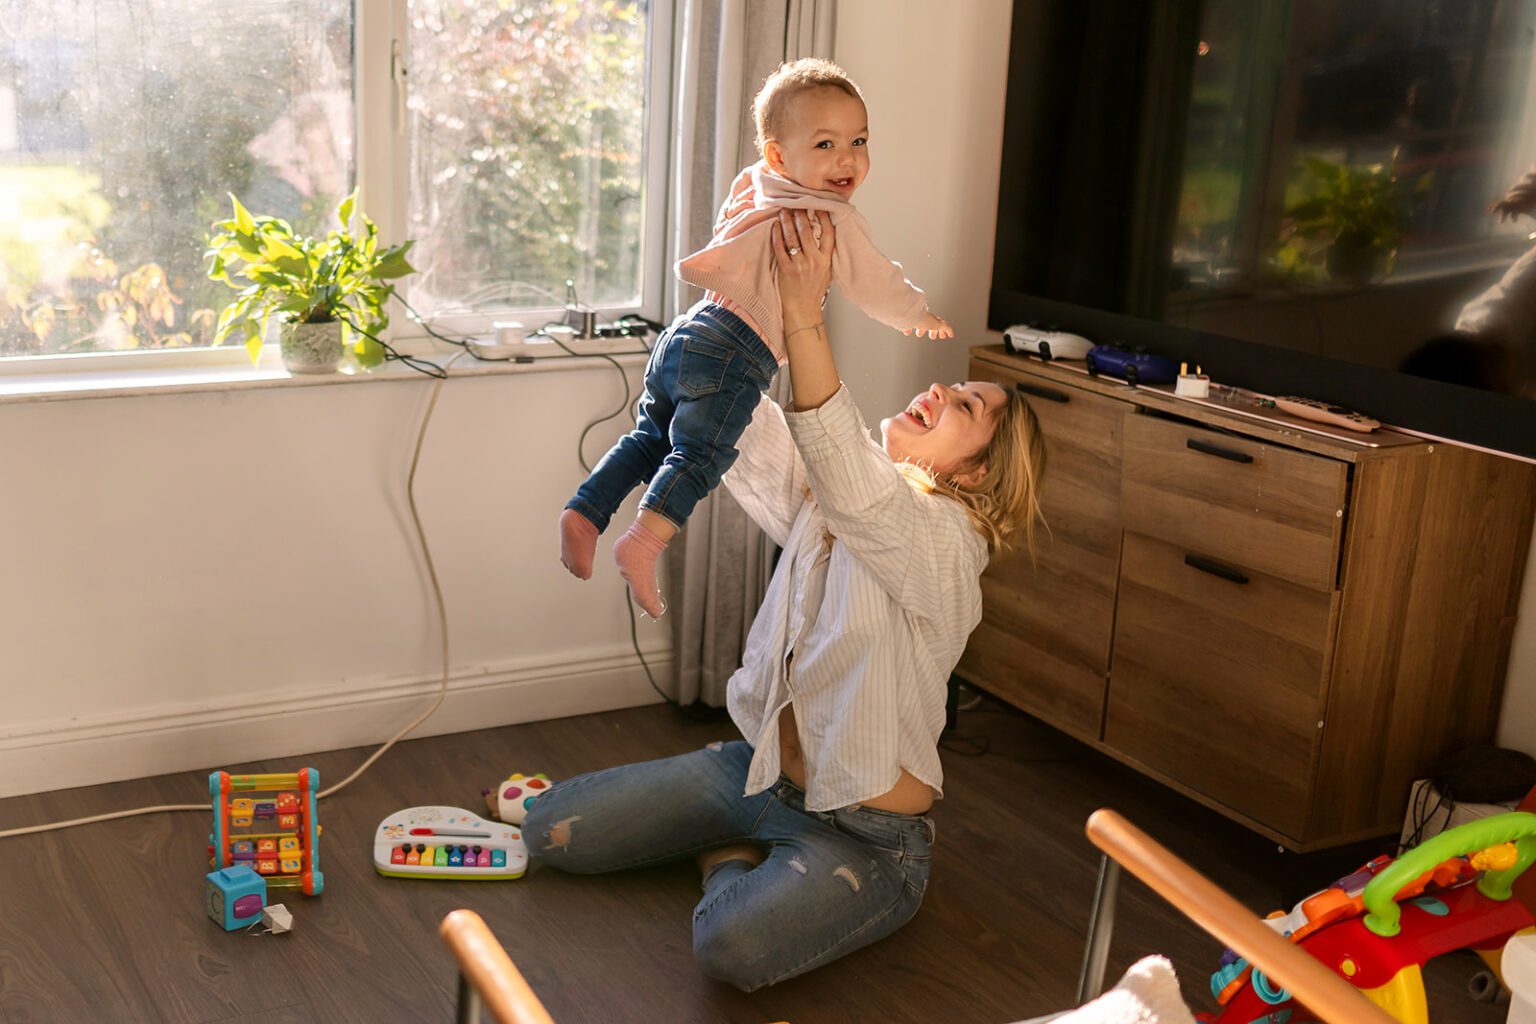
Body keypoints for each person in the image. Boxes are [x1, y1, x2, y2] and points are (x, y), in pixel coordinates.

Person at [523, 208, 1047, 991]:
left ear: (977, 475)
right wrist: (747, 288)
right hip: (759, 771)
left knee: (729, 949)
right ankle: (741, 836)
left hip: (867, 836)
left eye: (967, 408)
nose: (940, 388)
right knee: (548, 832)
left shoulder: (948, 541)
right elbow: (745, 424)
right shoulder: (843, 486)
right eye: (955, 384)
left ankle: (729, 860)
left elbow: (854, 485)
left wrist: (808, 314)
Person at [559, 58, 954, 618]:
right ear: (778, 153)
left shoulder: (757, 183)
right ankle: (641, 544)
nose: (847, 159)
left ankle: (584, 511)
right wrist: (916, 313)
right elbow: (875, 281)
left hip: (688, 332)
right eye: (825, 144)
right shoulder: (831, 217)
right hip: (735, 352)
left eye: (859, 141)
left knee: (651, 437)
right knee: (700, 455)